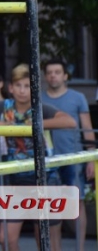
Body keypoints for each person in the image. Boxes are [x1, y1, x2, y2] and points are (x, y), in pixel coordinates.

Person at [0, 64, 76, 251]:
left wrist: (36, 125)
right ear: (10, 87)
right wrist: (4, 125)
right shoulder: (4, 107)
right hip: (16, 180)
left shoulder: (40, 108)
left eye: (27, 86)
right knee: (6, 239)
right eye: (18, 85)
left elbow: (69, 121)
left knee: (45, 239)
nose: (22, 90)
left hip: (44, 179)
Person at [41, 59, 95, 251]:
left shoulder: (78, 97)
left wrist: (91, 159)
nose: (53, 75)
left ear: (65, 76)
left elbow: (87, 129)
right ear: (45, 76)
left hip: (73, 159)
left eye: (57, 72)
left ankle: (80, 248)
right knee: (54, 207)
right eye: (49, 72)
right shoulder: (39, 99)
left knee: (77, 204)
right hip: (47, 161)